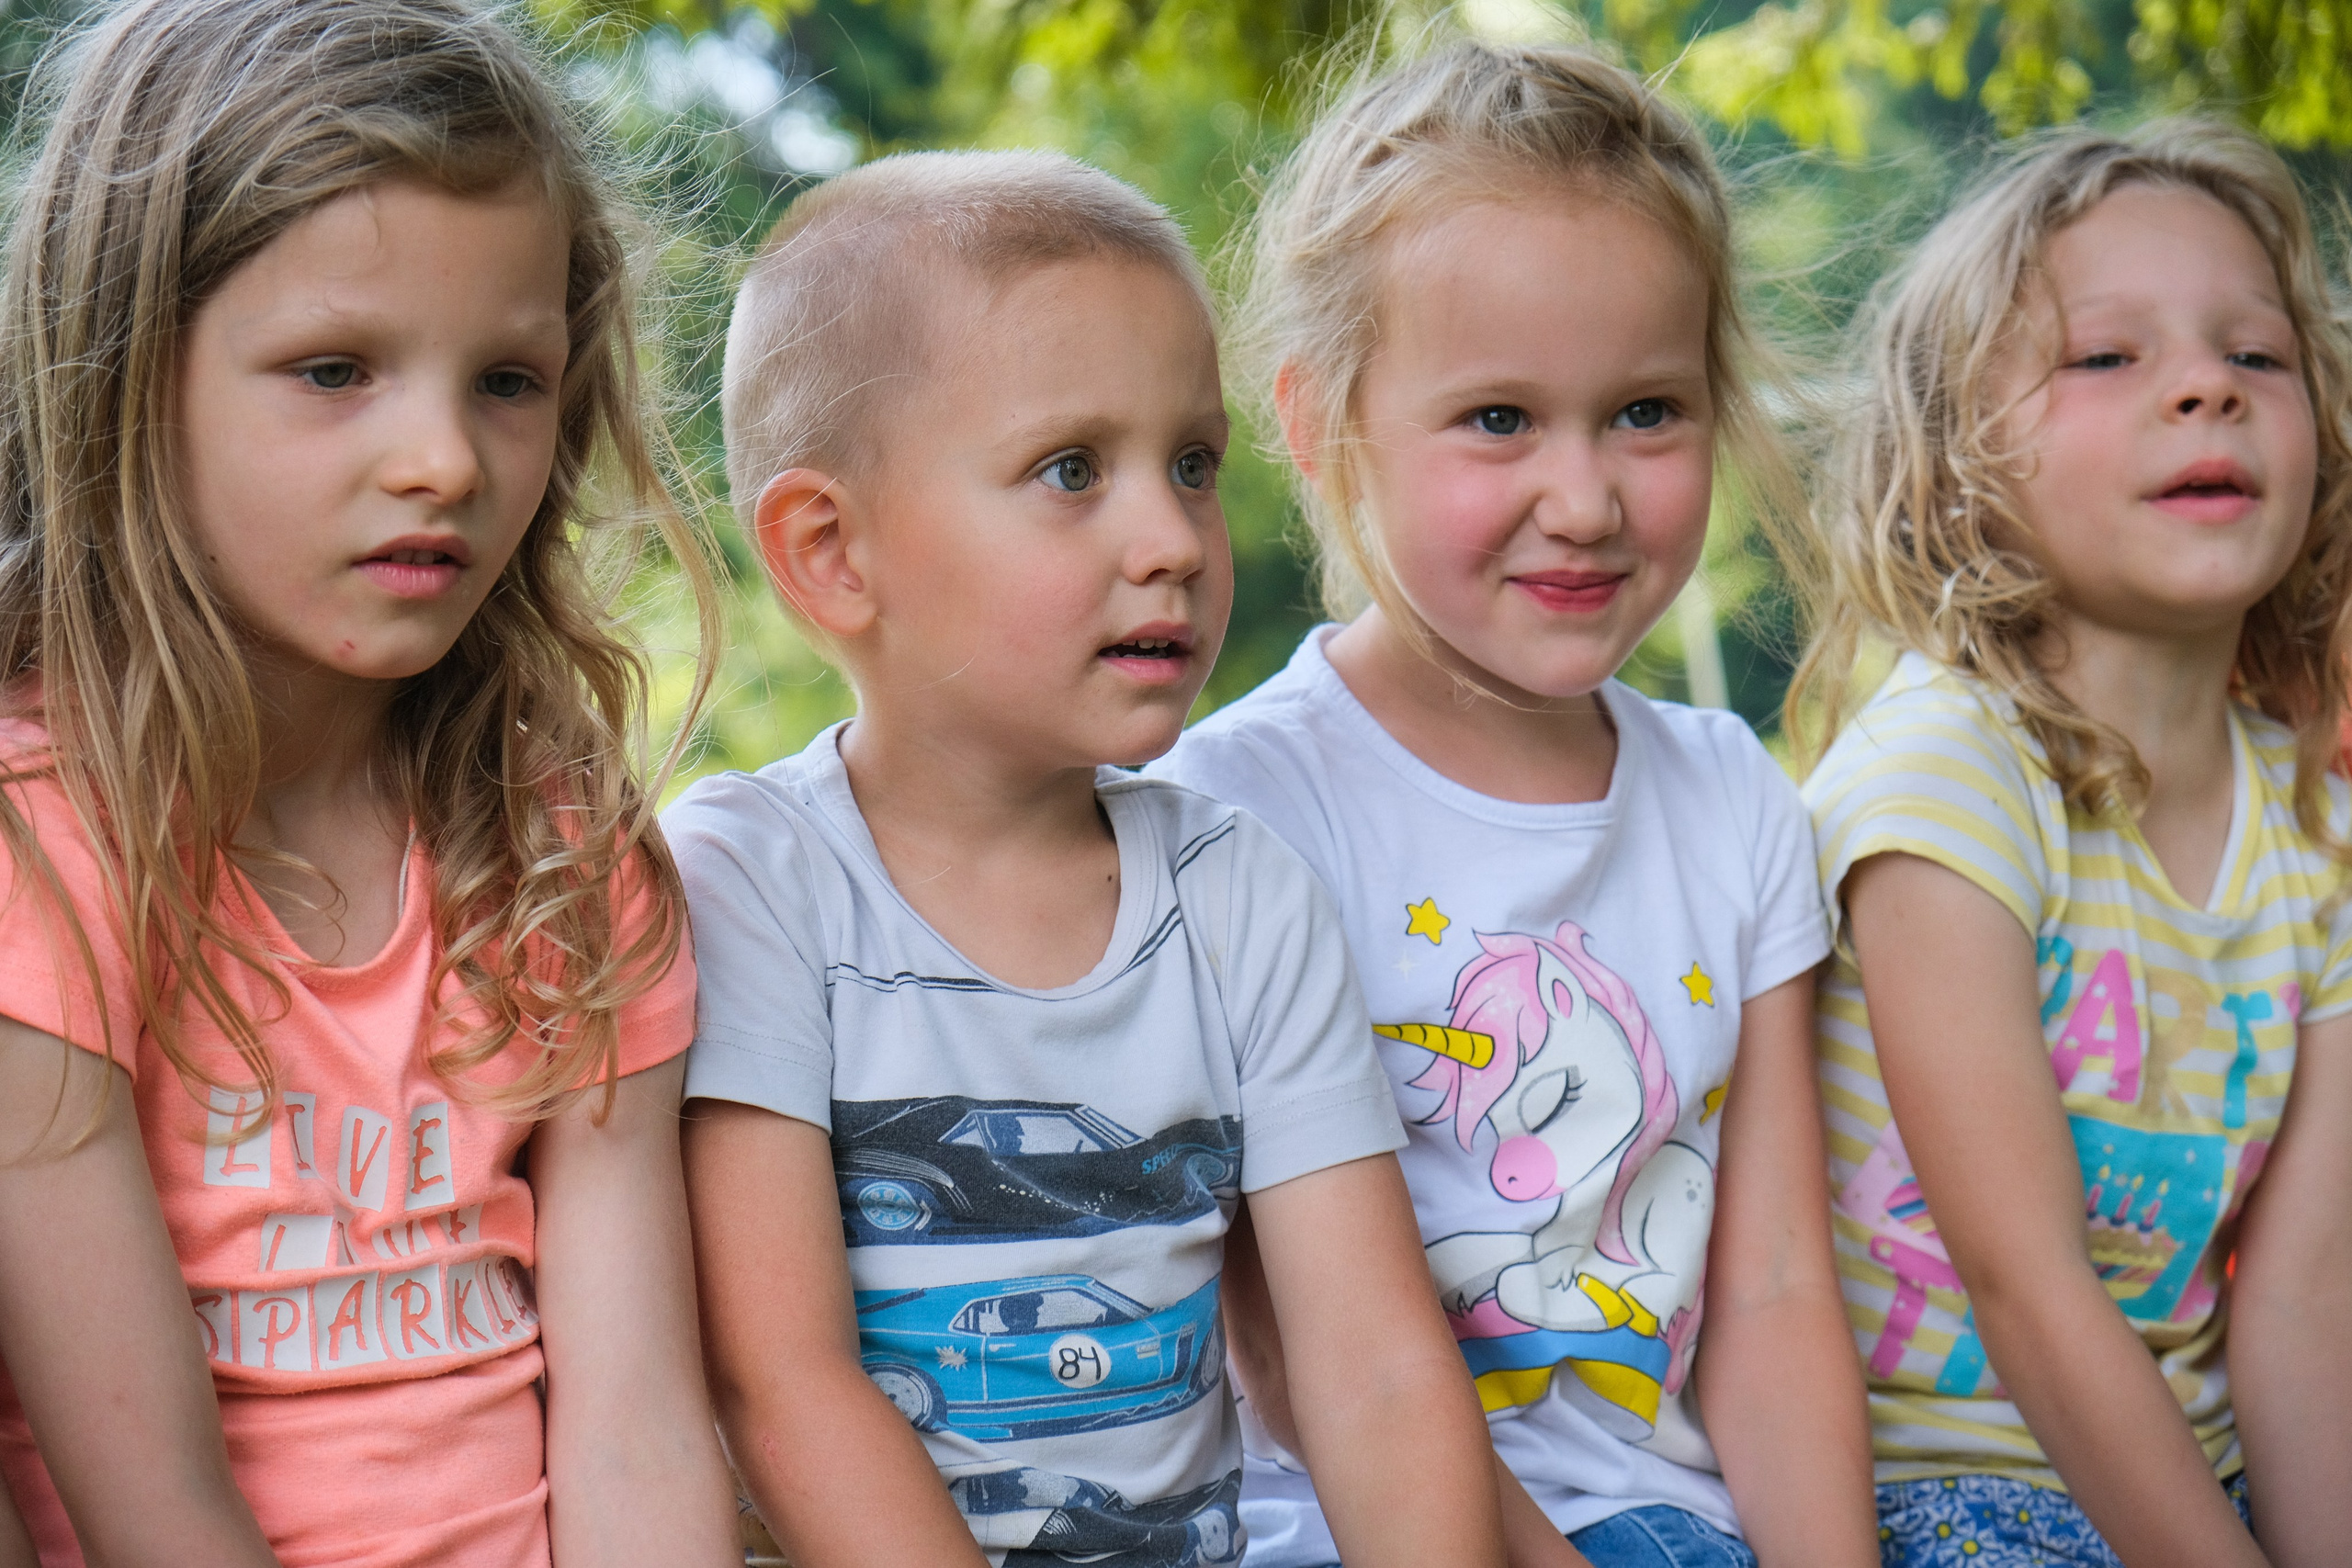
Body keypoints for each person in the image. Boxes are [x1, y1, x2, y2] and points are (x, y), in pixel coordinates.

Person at [673, 147, 1510, 1568]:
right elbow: (785, 1386)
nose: (1172, 538)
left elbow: (1371, 1369)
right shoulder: (752, 880)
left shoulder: (1239, 895)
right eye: (1073, 470)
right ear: (832, 553)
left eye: (1193, 464)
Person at [0, 0, 740, 1561]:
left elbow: (639, 1429)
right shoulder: (38, 852)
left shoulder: (558, 844)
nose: (444, 462)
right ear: (127, 379)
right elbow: (156, 1512)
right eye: (335, 370)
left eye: (508, 381)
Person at [1149, 39, 1878, 1568]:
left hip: (1667, 1525)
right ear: (1321, 425)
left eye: (1647, 412)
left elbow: (1771, 1298)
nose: (1587, 499)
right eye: (1498, 420)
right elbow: (1290, 1348)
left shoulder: (1732, 801)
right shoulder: (1234, 813)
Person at [1791, 120, 2352, 1568]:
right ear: (1958, 461)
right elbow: (2023, 1284)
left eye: (2258, 354)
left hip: (2202, 1482)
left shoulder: (2319, 830)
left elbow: (2303, 1302)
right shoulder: (1947, 780)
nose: (2207, 386)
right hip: (1944, 1493)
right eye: (2106, 356)